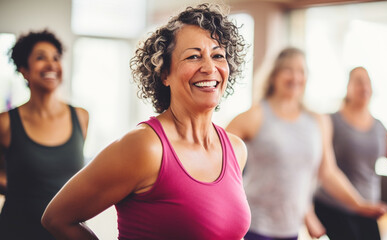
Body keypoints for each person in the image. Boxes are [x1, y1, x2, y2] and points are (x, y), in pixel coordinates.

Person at [41, 4, 250, 240]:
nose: (210, 67)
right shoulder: (145, 147)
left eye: (218, 55)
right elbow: (57, 218)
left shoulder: (235, 149)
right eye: (193, 56)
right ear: (164, 73)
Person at [226, 48, 387, 240]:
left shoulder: (318, 122)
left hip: (291, 229)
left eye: (301, 71)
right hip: (254, 225)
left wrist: (359, 204)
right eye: (288, 69)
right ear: (274, 75)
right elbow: (218, 159)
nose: (295, 77)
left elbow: (327, 173)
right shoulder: (254, 116)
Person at [313, 66, 387, 240]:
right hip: (334, 205)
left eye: (368, 82)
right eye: (359, 81)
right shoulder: (331, 121)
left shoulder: (379, 127)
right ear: (348, 87)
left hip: (368, 208)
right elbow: (321, 167)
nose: (364, 87)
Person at [0, 29, 89, 239]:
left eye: (56, 58)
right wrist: (22, 188)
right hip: (16, 231)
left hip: (66, 233)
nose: (51, 65)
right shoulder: (5, 123)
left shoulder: (81, 117)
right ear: (24, 69)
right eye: (41, 58)